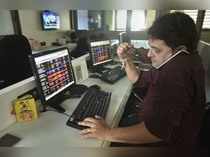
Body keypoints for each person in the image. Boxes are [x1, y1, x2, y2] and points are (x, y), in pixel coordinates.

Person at [78, 12, 206, 146]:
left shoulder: (176, 74)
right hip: (154, 123)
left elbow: (156, 132)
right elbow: (137, 79)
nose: (150, 54)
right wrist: (126, 58)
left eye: (156, 50)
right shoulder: (180, 61)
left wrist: (107, 133)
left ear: (180, 49)